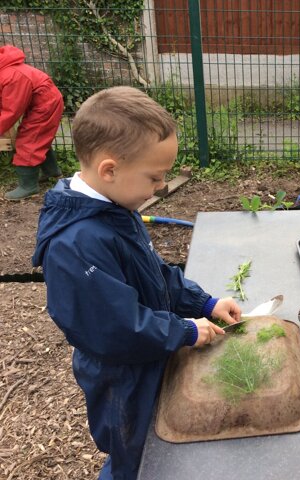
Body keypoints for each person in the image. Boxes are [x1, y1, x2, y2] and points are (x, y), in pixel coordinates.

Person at [32, 86, 242, 480]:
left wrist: (203, 303)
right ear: (110, 169)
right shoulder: (75, 245)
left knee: (156, 441)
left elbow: (154, 273)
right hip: (122, 381)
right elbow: (115, 328)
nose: (160, 187)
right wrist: (182, 329)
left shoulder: (114, 206)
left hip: (148, 357)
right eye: (154, 177)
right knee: (135, 456)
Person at [0, 44, 64, 200]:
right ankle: (51, 171)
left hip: (45, 105)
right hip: (43, 102)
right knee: (38, 137)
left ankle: (28, 186)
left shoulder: (11, 76)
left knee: (29, 140)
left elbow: (11, 111)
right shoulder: (7, 70)